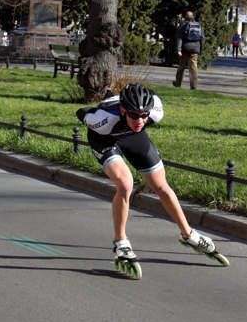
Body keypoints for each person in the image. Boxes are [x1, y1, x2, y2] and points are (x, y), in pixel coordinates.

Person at [77, 83, 227, 278]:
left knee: (161, 186)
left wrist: (136, 119)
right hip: (104, 139)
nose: (140, 120)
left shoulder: (156, 111)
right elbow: (82, 112)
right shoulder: (103, 120)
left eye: (143, 115)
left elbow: (142, 114)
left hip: (133, 136)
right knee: (125, 184)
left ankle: (188, 234)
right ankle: (121, 243)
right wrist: (98, 107)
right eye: (134, 115)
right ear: (123, 111)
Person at [173, 11, 204, 89]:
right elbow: (202, 38)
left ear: (185, 16)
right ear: (193, 16)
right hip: (195, 49)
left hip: (185, 49)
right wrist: (201, 49)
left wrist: (179, 49)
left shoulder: (183, 25)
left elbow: (179, 38)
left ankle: (178, 84)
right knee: (193, 68)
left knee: (181, 67)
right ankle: (193, 86)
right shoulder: (198, 25)